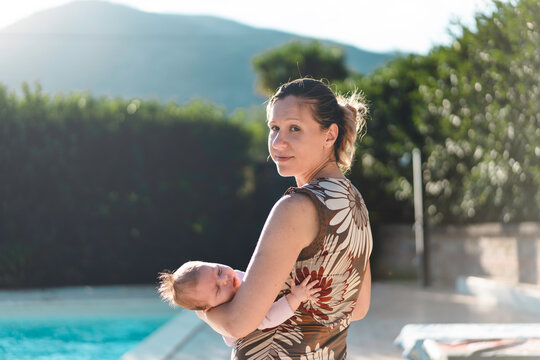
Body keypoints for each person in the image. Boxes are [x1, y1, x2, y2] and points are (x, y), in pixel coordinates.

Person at [197, 78, 373, 359]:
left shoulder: (295, 207)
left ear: (330, 135)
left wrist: (201, 309)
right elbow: (358, 307)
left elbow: (239, 322)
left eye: (294, 128)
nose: (278, 142)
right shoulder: (355, 203)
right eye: (274, 128)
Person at [157, 261, 320, 346]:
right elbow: (266, 318)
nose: (225, 279)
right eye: (217, 290)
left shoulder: (234, 278)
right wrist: (295, 298)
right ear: (210, 307)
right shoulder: (228, 308)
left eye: (219, 271)